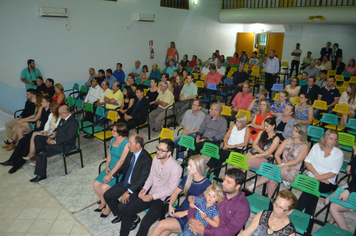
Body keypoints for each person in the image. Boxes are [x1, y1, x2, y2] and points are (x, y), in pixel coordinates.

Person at [119, 139, 182, 236]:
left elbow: (171, 190)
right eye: (158, 148)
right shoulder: (156, 159)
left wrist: (153, 196)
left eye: (161, 150)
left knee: (145, 223)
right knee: (127, 211)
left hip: (162, 200)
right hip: (150, 193)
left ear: (169, 153)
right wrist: (144, 189)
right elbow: (151, 177)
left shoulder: (176, 168)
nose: (158, 152)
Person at [149, 155, 211, 236]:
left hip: (192, 217)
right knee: (160, 230)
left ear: (198, 167)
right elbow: (175, 193)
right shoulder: (188, 178)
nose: (187, 167)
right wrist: (170, 205)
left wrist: (185, 213)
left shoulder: (207, 185)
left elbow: (206, 208)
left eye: (190, 165)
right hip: (181, 210)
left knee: (161, 225)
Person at [103, 134, 152, 224]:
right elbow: (124, 166)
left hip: (135, 187)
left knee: (123, 206)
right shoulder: (131, 152)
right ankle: (121, 214)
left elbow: (142, 179)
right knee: (108, 195)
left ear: (137, 145)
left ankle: (134, 219)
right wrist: (112, 176)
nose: (128, 145)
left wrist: (129, 191)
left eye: (130, 143)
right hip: (125, 182)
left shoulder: (146, 159)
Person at [247, 124, 308, 196]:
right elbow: (277, 154)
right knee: (272, 180)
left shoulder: (304, 146)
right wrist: (281, 164)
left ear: (301, 134)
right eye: (293, 130)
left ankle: (252, 186)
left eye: (296, 131)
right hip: (281, 165)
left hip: (292, 170)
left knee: (274, 170)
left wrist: (282, 165)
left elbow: (297, 161)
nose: (293, 132)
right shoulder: (287, 141)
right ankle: (269, 200)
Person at [187, 168, 250, 236]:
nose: (223, 183)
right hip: (199, 223)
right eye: (224, 179)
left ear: (237, 186)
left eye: (228, 182)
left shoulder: (243, 207)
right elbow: (197, 201)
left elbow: (230, 231)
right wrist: (191, 219)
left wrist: (204, 231)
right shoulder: (217, 189)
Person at [296, 130, 344, 215]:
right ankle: (308, 217)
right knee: (313, 190)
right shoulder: (316, 147)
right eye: (331, 139)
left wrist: (315, 178)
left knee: (311, 186)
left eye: (335, 139)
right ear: (325, 138)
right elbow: (307, 162)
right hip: (315, 178)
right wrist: (318, 177)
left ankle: (296, 212)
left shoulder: (338, 153)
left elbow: (333, 173)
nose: (333, 142)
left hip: (328, 182)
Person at [1, 101, 56, 174]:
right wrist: (40, 123)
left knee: (28, 145)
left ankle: (16, 165)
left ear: (48, 103)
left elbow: (51, 126)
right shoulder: (46, 111)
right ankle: (12, 160)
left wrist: (43, 127)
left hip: (43, 132)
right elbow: (43, 121)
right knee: (22, 141)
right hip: (40, 130)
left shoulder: (52, 113)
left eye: (43, 102)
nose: (41, 103)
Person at [29, 105, 79, 182]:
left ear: (65, 113)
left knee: (43, 152)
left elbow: (69, 137)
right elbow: (57, 128)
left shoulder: (73, 122)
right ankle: (40, 151)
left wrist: (54, 141)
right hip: (57, 139)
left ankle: (41, 174)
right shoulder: (63, 119)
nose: (59, 115)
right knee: (38, 137)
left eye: (60, 113)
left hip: (65, 144)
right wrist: (53, 134)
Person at [93, 123, 129, 217]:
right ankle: (103, 202)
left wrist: (111, 175)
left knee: (104, 188)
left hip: (119, 170)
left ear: (121, 132)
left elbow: (121, 161)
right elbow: (109, 154)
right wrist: (107, 166)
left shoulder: (126, 143)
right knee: (96, 184)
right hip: (111, 167)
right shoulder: (113, 139)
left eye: (114, 130)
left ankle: (109, 207)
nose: (111, 131)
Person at [207, 115, 251, 180]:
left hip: (237, 150)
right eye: (236, 121)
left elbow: (245, 143)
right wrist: (225, 145)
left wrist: (232, 146)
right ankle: (215, 179)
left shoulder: (247, 130)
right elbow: (226, 137)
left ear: (243, 123)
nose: (237, 123)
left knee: (219, 155)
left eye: (239, 122)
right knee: (218, 158)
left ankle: (207, 167)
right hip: (228, 147)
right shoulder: (233, 126)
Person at [324, 144, 356, 231]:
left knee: (333, 207)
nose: (353, 147)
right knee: (327, 201)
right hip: (351, 186)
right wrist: (350, 164)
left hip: (352, 190)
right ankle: (333, 219)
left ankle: (344, 232)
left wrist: (349, 191)